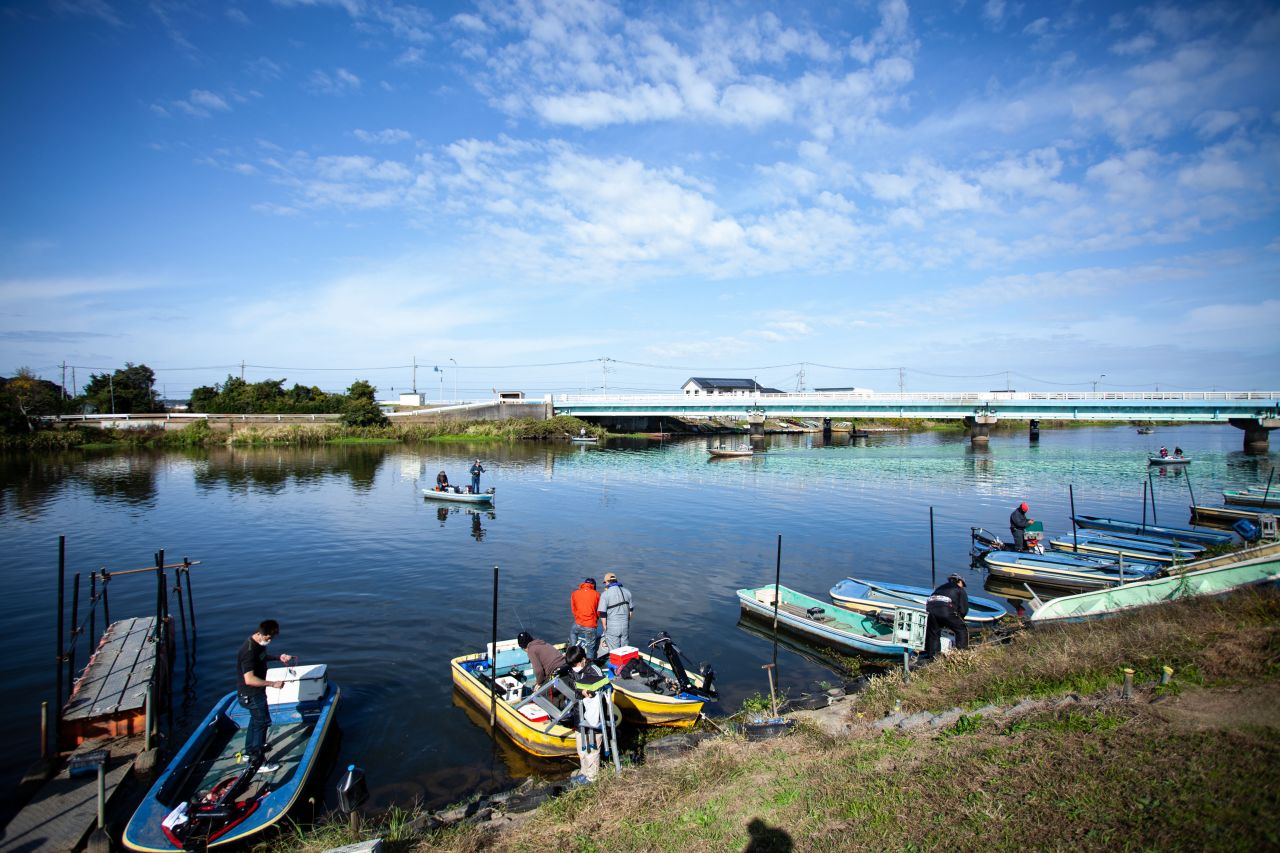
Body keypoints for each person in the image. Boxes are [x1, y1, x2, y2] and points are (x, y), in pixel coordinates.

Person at [237, 619, 295, 773]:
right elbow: (249, 679)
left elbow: (262, 657)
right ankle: (258, 762)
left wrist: (278, 657)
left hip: (252, 694)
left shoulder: (257, 644)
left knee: (255, 722)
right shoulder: (249, 651)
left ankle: (249, 752)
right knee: (262, 723)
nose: (270, 640)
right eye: (269, 638)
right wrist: (273, 684)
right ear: (263, 634)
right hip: (252, 695)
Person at [565, 646, 608, 785]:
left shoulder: (594, 670)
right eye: (572, 665)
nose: (574, 668)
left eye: (576, 664)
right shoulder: (572, 669)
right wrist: (580, 691)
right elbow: (572, 684)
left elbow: (601, 689)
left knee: (592, 748)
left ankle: (592, 777)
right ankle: (584, 773)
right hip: (579, 714)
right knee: (581, 748)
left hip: (594, 715)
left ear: (583, 659)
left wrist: (588, 692)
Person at [923, 574, 969, 658]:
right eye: (963, 584)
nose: (963, 586)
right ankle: (962, 654)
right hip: (945, 610)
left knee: (933, 634)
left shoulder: (940, 588)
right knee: (962, 629)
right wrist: (959, 619)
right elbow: (963, 610)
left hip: (930, 609)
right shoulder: (959, 589)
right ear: (959, 581)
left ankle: (933, 657)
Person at [597, 572, 634, 653]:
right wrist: (626, 621)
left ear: (607, 582)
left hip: (612, 625)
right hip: (625, 624)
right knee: (625, 649)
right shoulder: (627, 592)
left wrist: (604, 626)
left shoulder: (605, 594)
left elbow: (602, 613)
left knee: (615, 652)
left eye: (605, 582)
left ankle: (616, 661)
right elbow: (631, 610)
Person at [568, 577, 601, 660]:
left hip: (578, 623)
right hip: (590, 625)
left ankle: (573, 651)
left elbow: (573, 609)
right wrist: (595, 620)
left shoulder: (575, 593)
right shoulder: (597, 594)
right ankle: (589, 663)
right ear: (593, 585)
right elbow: (599, 611)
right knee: (590, 647)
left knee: (573, 633)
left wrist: (578, 618)